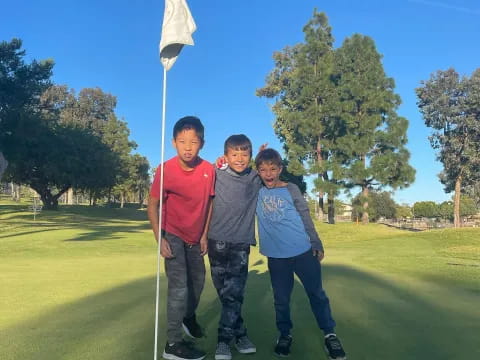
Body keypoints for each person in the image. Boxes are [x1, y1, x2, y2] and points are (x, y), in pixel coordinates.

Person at [255, 148, 347, 360]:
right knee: (281, 299)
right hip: (276, 257)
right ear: (258, 172)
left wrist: (316, 241)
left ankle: (329, 333)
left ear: (280, 169)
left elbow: (305, 216)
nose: (268, 174)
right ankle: (285, 334)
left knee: (317, 294)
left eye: (272, 169)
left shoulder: (291, 189)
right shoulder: (257, 191)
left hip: (303, 252)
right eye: (263, 170)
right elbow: (245, 179)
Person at [147, 116, 215, 360]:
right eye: (183, 141)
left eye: (194, 142)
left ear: (202, 144)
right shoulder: (165, 170)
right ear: (174, 142)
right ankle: (172, 344)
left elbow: (209, 205)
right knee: (179, 288)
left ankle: (188, 318)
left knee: (197, 284)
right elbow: (152, 205)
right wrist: (160, 238)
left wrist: (205, 235)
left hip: (196, 238)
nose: (188, 147)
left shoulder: (209, 170)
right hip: (173, 234)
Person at [207, 134, 262, 360]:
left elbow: (272, 171)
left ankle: (223, 342)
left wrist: (263, 158)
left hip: (240, 244)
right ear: (226, 155)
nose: (239, 159)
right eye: (234, 154)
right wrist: (214, 164)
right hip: (215, 243)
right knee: (226, 294)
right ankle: (240, 333)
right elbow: (202, 178)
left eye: (244, 154)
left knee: (233, 295)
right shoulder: (216, 174)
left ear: (250, 156)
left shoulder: (255, 177)